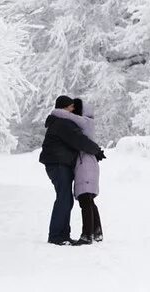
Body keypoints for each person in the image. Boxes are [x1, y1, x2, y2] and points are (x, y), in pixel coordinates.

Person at [38, 95, 105, 246]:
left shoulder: (61, 122)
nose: (73, 109)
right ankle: (56, 235)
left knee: (66, 198)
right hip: (58, 163)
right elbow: (78, 139)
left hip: (60, 163)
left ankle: (62, 234)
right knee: (64, 198)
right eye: (71, 106)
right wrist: (96, 150)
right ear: (65, 107)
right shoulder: (62, 123)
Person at [63, 97, 103, 244]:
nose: (71, 110)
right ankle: (97, 232)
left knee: (85, 200)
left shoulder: (85, 121)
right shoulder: (87, 122)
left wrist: (56, 112)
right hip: (86, 162)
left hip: (85, 163)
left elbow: (65, 115)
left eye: (74, 108)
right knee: (88, 200)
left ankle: (87, 235)